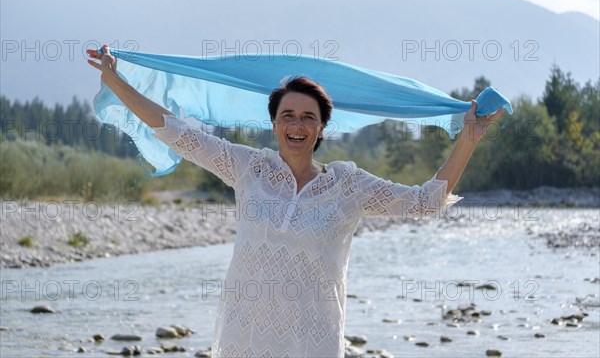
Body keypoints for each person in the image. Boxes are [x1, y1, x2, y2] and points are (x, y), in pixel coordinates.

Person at [87, 44, 504, 357]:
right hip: (244, 339)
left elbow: (425, 202)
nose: (297, 125)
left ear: (323, 127)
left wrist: (468, 139)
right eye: (288, 115)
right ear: (273, 123)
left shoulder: (348, 185)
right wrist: (116, 81)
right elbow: (176, 131)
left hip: (313, 342)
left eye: (308, 117)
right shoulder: (247, 168)